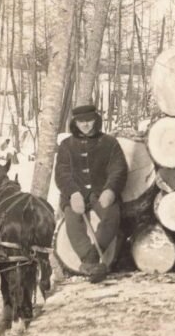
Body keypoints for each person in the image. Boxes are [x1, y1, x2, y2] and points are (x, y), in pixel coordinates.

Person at [55, 104, 128, 282]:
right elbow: (62, 173)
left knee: (112, 215)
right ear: (75, 123)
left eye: (89, 121)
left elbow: (118, 169)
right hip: (75, 193)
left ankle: (92, 257)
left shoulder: (110, 143)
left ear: (96, 120)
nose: (86, 125)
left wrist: (110, 189)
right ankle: (89, 259)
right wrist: (73, 193)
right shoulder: (66, 145)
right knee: (72, 219)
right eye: (81, 122)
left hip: (100, 190)